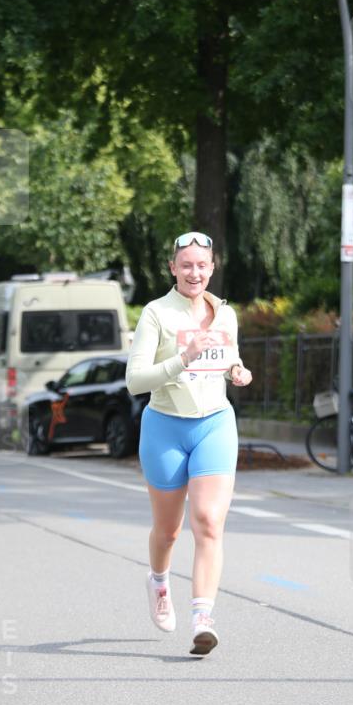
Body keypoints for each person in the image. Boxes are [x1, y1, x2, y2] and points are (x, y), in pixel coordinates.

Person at [126, 233, 252, 657]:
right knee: (168, 531)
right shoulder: (156, 313)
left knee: (209, 521)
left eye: (201, 265)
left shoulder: (225, 314)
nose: (194, 273)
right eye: (186, 265)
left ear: (212, 268)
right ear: (173, 268)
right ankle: (159, 582)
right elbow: (135, 380)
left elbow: (230, 357)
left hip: (215, 423)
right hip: (165, 427)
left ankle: (203, 618)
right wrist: (184, 357)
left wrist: (238, 370)